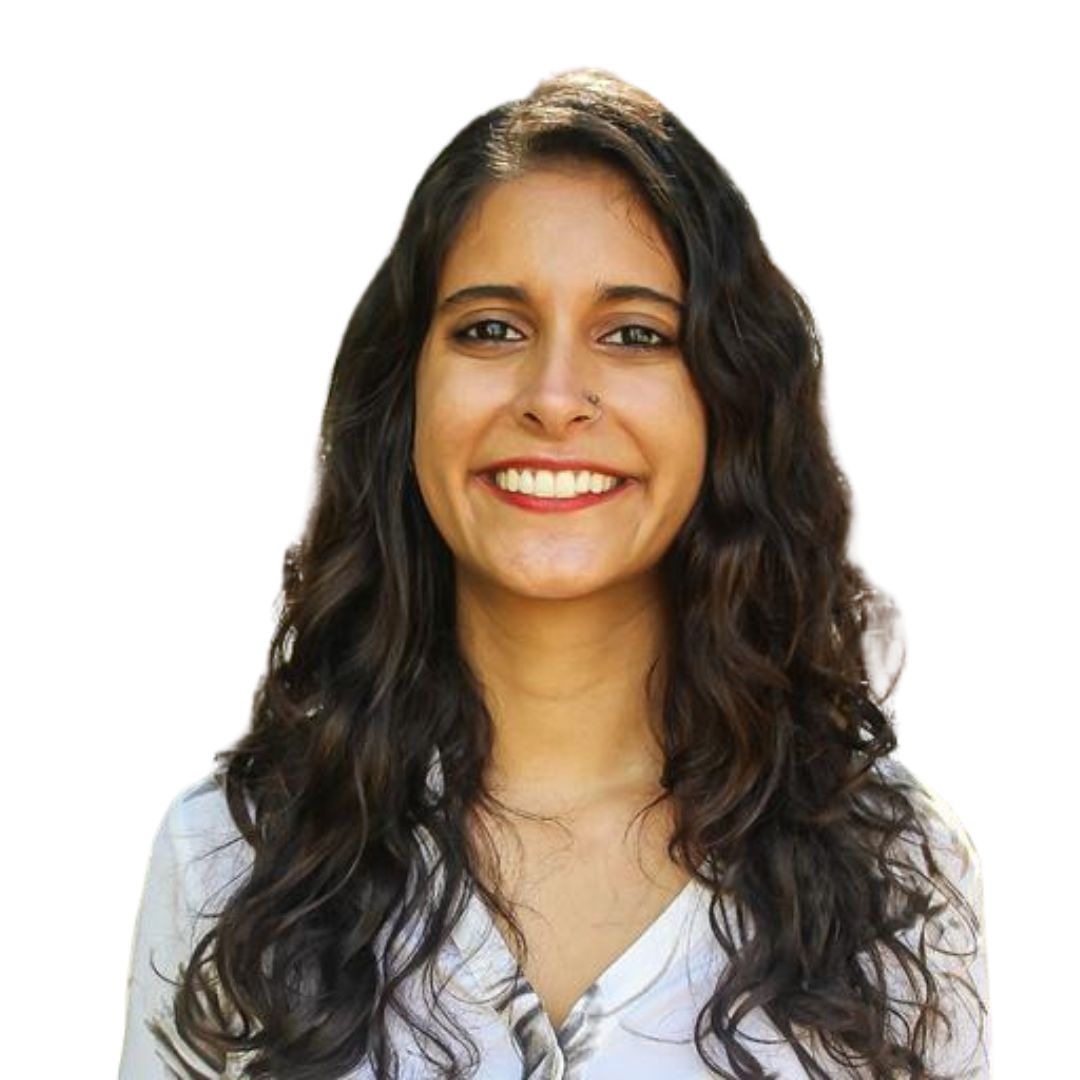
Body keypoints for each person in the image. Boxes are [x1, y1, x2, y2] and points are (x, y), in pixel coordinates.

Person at [119, 68, 990, 1079]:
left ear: (729, 402)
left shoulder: (896, 873)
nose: (555, 396)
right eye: (491, 328)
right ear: (406, 395)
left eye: (634, 334)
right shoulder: (232, 857)